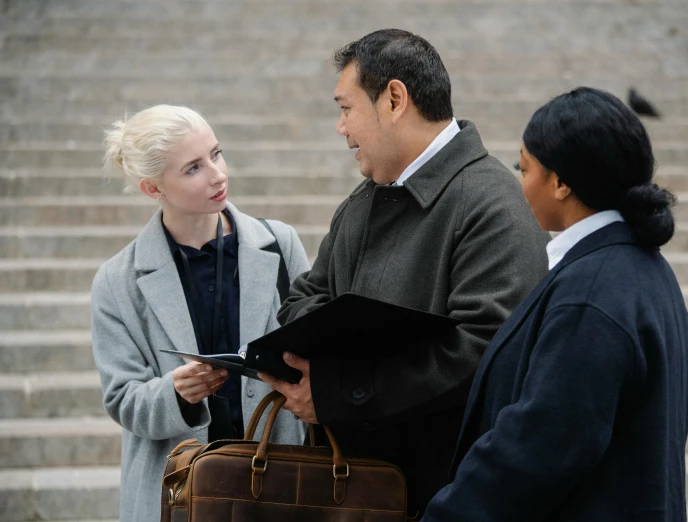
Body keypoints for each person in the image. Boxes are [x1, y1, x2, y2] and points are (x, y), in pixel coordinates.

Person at [257, 29, 550, 516]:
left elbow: (486, 347)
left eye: (346, 108)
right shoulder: (363, 202)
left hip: (445, 498)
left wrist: (342, 389)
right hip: (353, 494)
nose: (341, 128)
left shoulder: (494, 201)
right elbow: (301, 299)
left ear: (394, 99)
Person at [422, 87, 688, 522]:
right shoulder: (639, 268)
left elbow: (540, 445)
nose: (520, 181)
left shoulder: (594, 292)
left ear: (562, 183)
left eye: (524, 167)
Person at [91, 105, 309, 522]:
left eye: (216, 153)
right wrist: (175, 391)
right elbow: (122, 399)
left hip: (280, 478)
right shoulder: (116, 281)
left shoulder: (280, 244)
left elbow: (314, 345)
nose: (217, 174)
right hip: (177, 493)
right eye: (193, 168)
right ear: (153, 189)